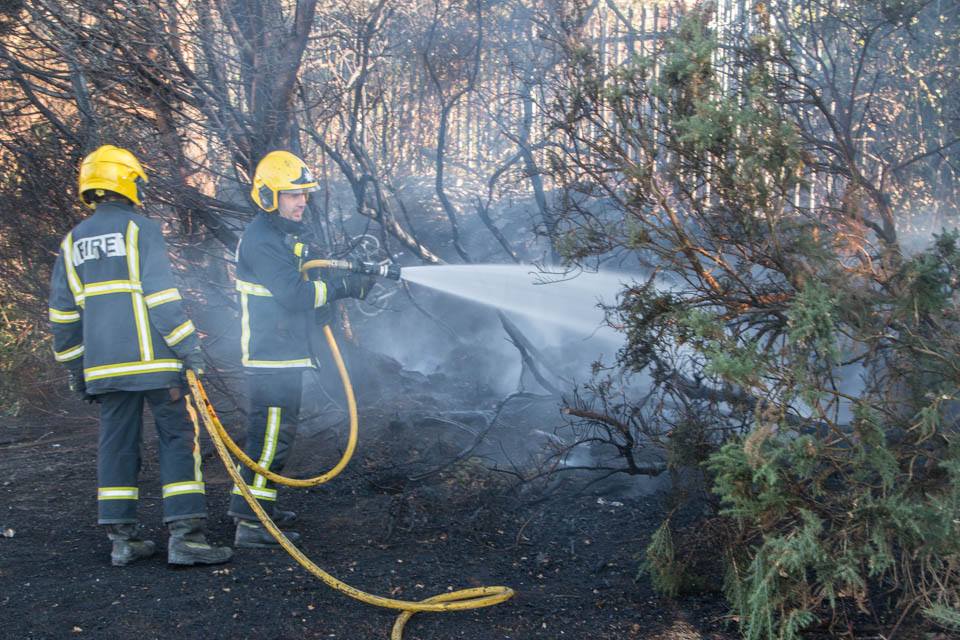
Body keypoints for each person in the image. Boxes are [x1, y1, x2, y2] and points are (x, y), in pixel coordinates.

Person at [48, 144, 232, 567]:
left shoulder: (72, 242)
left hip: (105, 371)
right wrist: (189, 345)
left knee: (116, 447)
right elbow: (163, 298)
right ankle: (186, 537)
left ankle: (122, 541)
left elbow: (62, 314)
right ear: (127, 182)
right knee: (177, 441)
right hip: (156, 365)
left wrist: (77, 369)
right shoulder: (140, 230)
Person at [228, 150, 372, 548]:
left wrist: (322, 305)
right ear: (269, 196)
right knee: (272, 437)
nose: (302, 202)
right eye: (292, 195)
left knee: (271, 435)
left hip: (282, 351)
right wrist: (343, 288)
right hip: (271, 356)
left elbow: (296, 290)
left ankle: (254, 506)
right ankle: (252, 525)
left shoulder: (276, 237)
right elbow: (292, 295)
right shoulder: (261, 241)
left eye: (304, 194)